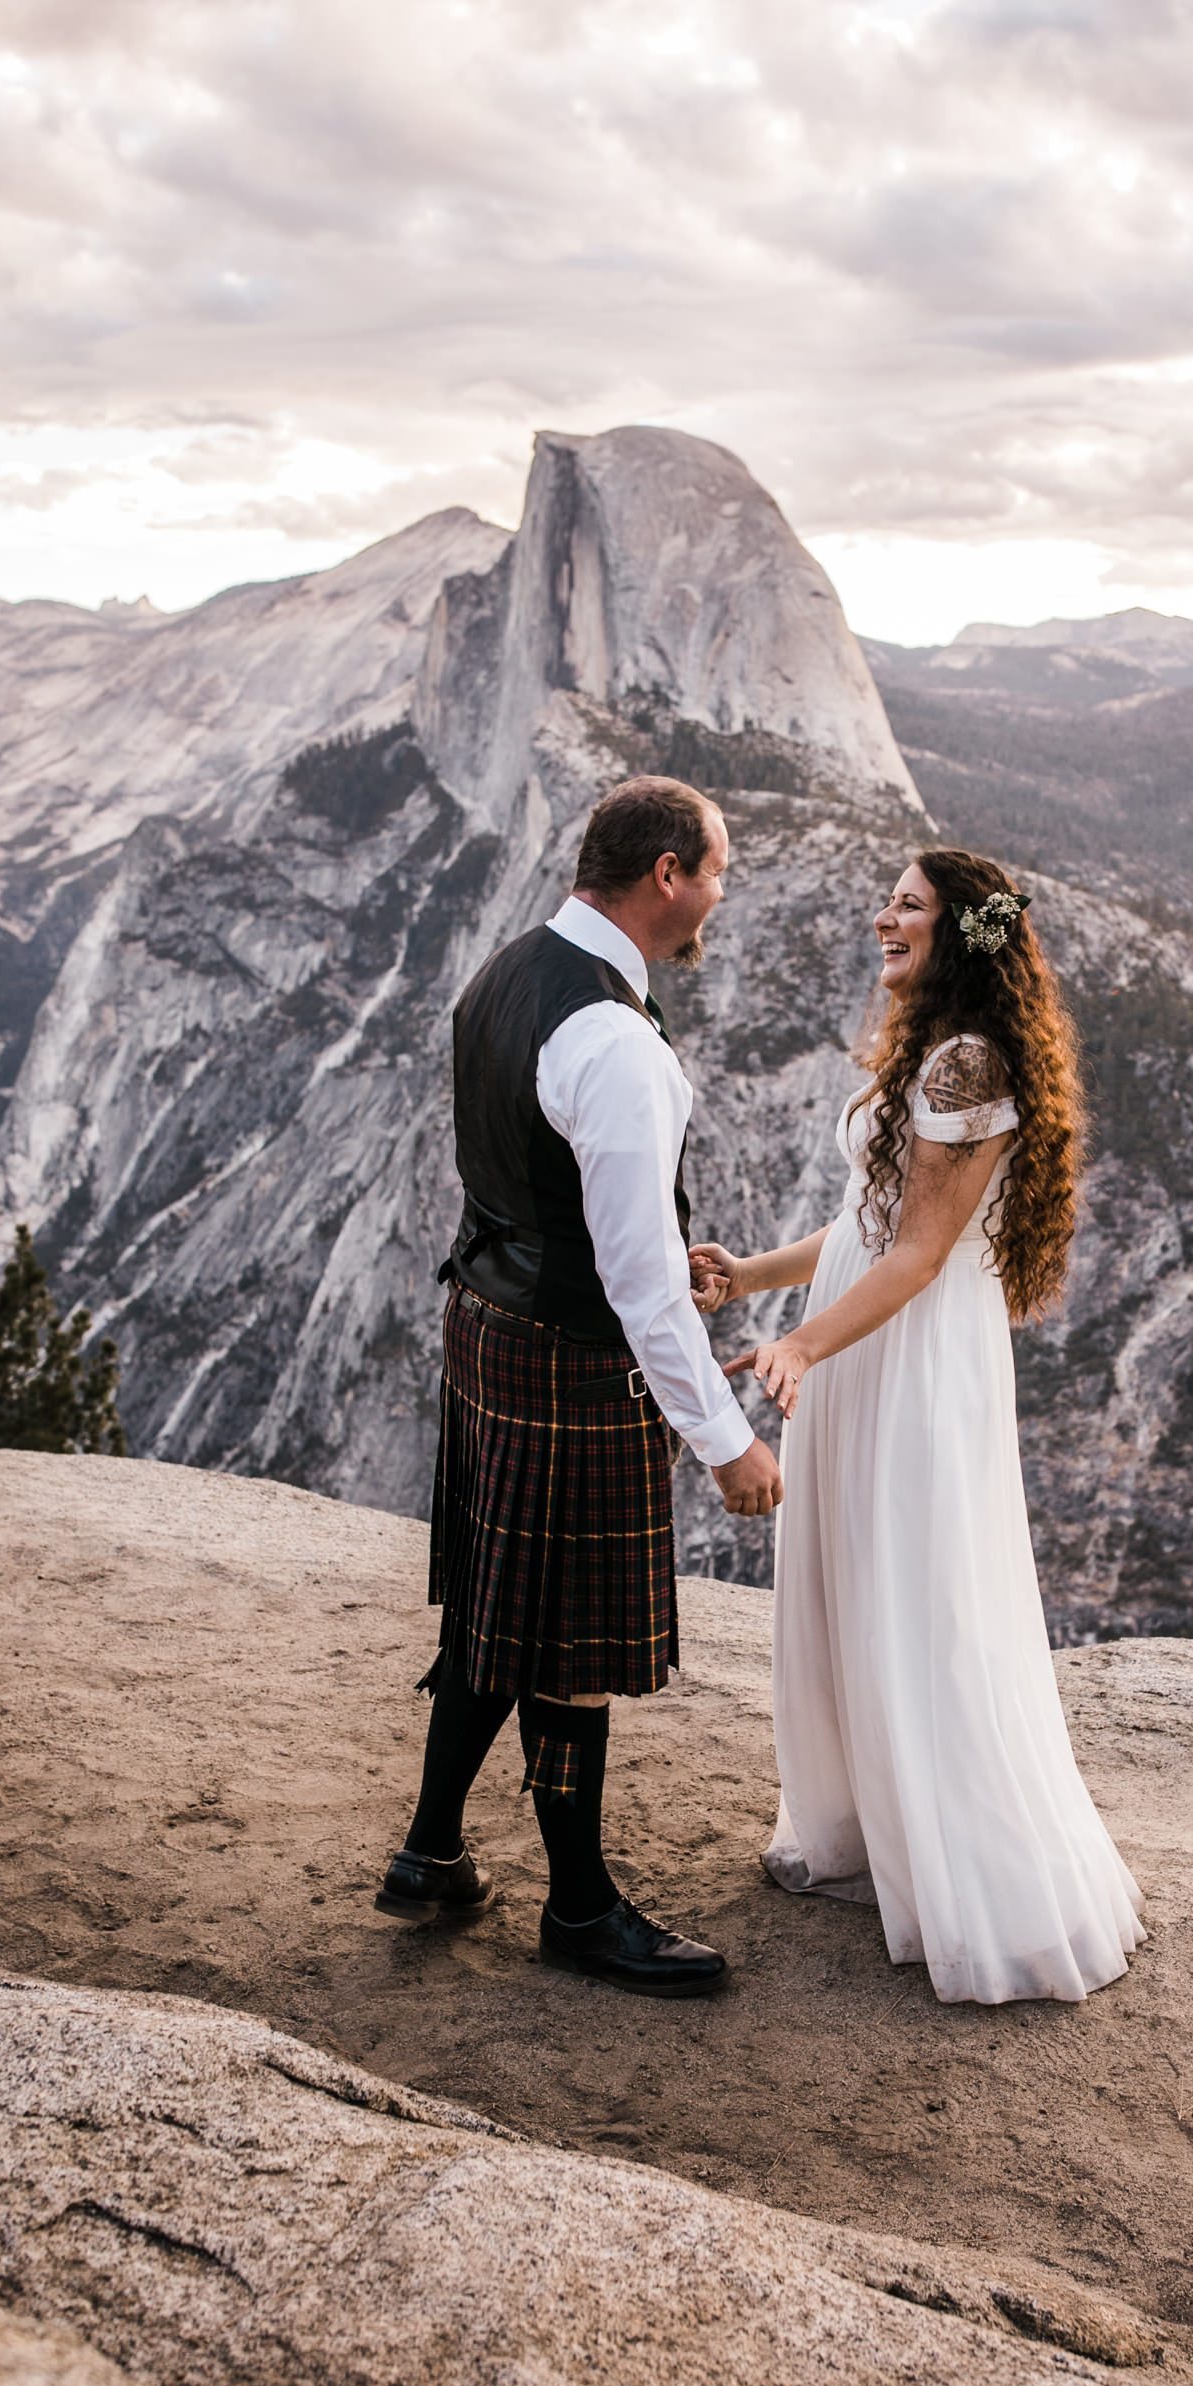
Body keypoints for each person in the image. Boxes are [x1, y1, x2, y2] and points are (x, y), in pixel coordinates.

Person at [690, 849, 1143, 2005]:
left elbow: (919, 1256)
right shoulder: (931, 1054)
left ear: (960, 937)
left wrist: (799, 1344)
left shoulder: (963, 1064)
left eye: (908, 904)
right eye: (887, 898)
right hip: (865, 1346)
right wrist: (751, 1279)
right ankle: (874, 1824)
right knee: (856, 1579)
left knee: (912, 1590)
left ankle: (962, 1873)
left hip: (900, 1360)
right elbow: (859, 1224)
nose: (882, 915)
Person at [376, 775, 782, 1995]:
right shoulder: (612, 1040)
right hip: (571, 1357)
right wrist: (723, 1438)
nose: (720, 892)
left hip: (490, 1322)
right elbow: (640, 1281)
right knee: (566, 1643)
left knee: (500, 1603)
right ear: (666, 875)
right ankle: (581, 1908)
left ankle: (431, 1852)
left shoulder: (508, 968)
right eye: (714, 870)